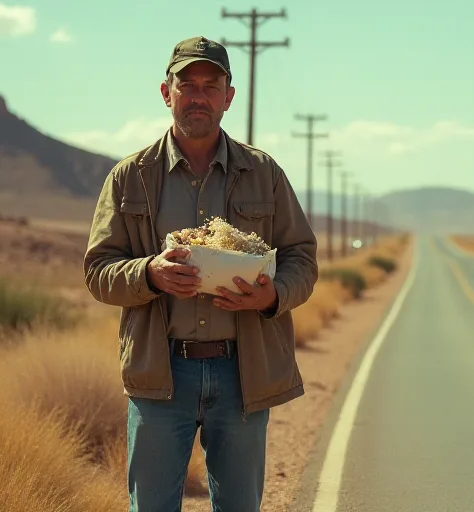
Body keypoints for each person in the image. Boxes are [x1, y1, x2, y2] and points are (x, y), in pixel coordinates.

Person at [83, 36, 318, 511]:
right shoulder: (130, 177)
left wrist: (272, 296)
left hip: (242, 373)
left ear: (228, 97)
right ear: (166, 93)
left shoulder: (264, 173)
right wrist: (150, 273)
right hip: (160, 372)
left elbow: (302, 259)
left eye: (211, 86)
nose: (198, 96)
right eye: (186, 85)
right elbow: (98, 270)